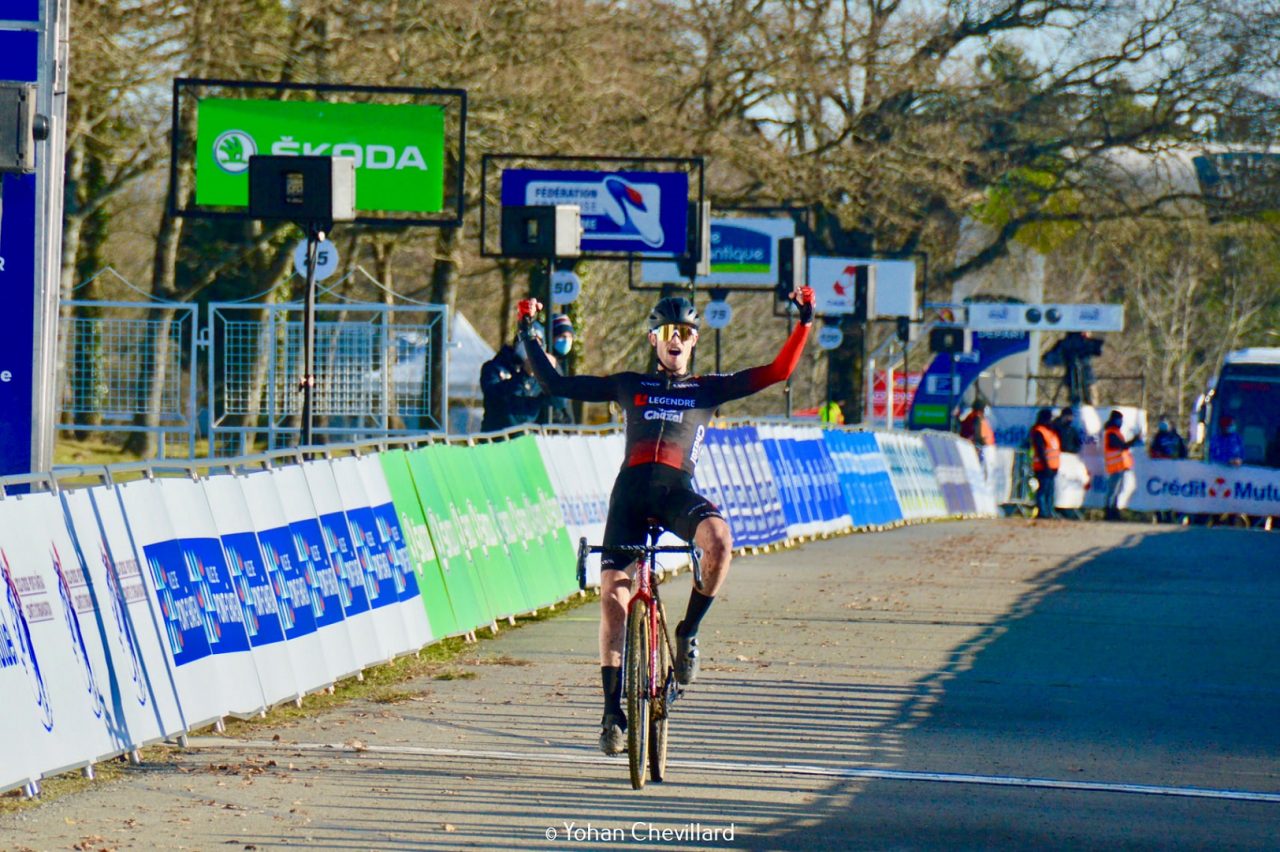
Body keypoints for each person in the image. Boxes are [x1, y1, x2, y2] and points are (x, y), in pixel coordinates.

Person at [517, 287, 817, 755]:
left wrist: (803, 325)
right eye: (667, 331)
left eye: (686, 332)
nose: (676, 339)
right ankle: (612, 712)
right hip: (630, 499)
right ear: (654, 338)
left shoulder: (707, 389)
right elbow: (557, 385)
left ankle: (688, 631)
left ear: (694, 341)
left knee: (718, 540)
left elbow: (778, 372)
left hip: (678, 493)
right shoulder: (629, 384)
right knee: (614, 600)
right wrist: (528, 333)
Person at [479, 323, 547, 433]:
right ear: (517, 342)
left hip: (528, 441)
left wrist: (553, 369)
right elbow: (493, 395)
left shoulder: (540, 377)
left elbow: (560, 402)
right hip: (497, 441)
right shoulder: (494, 368)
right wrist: (524, 375)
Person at [1044, 331, 1102, 406]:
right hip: (1086, 378)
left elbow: (1049, 360)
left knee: (1075, 405)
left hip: (1072, 378)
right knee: (1092, 404)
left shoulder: (1065, 343)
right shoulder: (1085, 342)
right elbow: (1098, 350)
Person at [1103, 409, 1141, 521]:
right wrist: (1133, 440)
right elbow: (1121, 446)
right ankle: (1109, 512)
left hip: (1120, 466)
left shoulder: (1116, 432)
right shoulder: (1111, 433)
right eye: (1119, 420)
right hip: (1115, 467)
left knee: (1117, 491)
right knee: (1112, 491)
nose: (1121, 422)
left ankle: (1113, 510)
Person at [1029, 407, 1060, 519]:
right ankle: (1043, 512)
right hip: (1043, 467)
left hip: (1052, 467)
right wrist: (1046, 466)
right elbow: (1041, 451)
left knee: (1050, 491)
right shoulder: (1039, 431)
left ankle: (1049, 511)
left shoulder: (1050, 431)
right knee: (1043, 490)